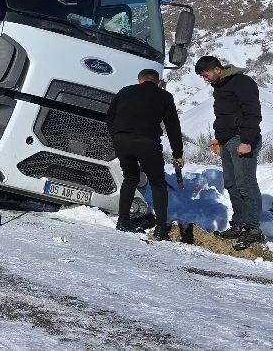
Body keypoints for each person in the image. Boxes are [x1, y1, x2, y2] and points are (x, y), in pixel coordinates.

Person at [106, 68, 184, 240]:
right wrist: (178, 153)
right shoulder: (164, 96)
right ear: (158, 83)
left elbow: (110, 116)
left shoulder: (125, 91)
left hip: (122, 141)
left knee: (130, 178)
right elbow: (172, 126)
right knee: (158, 183)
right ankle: (161, 230)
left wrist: (117, 136)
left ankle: (123, 221)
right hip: (147, 143)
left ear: (139, 80)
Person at [195, 56, 265, 247]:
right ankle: (240, 224)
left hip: (241, 138)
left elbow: (252, 111)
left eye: (206, 74)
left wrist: (247, 140)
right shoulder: (221, 86)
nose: (205, 79)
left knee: (245, 183)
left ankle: (253, 229)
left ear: (217, 69)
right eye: (202, 76)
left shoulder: (242, 82)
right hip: (227, 140)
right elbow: (226, 115)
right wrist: (219, 137)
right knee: (232, 184)